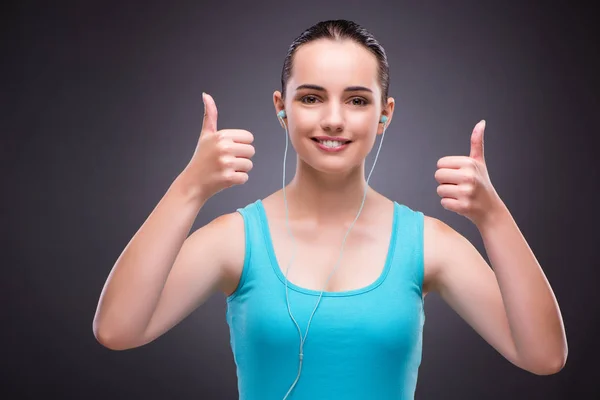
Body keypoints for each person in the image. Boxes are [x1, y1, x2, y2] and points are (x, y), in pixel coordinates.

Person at [93, 19, 568, 399]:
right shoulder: (236, 240)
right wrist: (188, 190)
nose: (334, 119)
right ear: (282, 107)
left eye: (358, 100)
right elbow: (117, 329)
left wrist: (493, 217)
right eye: (312, 97)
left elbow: (544, 356)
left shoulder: (427, 243)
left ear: (385, 114)